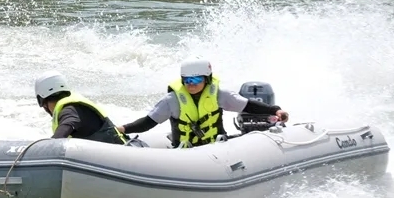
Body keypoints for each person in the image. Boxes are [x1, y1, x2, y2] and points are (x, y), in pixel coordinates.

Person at [115, 60, 290, 148]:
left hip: (217, 149)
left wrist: (275, 110)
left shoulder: (220, 95)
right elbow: (148, 122)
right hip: (184, 152)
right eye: (187, 80)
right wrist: (122, 129)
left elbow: (249, 106)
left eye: (196, 79)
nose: (191, 84)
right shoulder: (172, 100)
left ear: (206, 79)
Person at [34, 71, 128, 145]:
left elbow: (66, 127)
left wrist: (48, 147)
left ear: (43, 101)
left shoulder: (69, 110)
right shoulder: (75, 106)